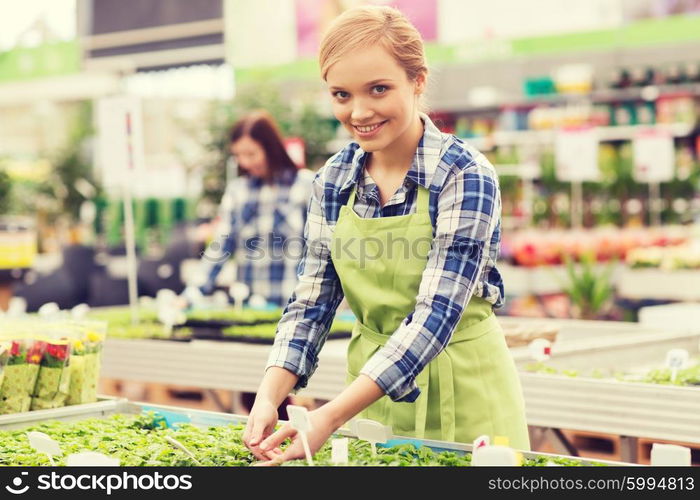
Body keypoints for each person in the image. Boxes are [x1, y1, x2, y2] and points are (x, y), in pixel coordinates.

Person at [243, 6, 530, 464]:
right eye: (341, 94)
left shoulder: (464, 175)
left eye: (379, 88)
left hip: (469, 396)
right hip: (368, 399)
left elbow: (436, 314)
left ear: (417, 81)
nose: (359, 112)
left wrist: (329, 417)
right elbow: (312, 301)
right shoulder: (332, 182)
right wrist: (268, 395)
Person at [198, 110, 313, 307]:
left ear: (271, 148)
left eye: (251, 154)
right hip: (249, 308)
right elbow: (221, 245)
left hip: (296, 308)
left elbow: (322, 250)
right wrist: (194, 290)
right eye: (238, 155)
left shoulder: (306, 186)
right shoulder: (238, 191)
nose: (245, 162)